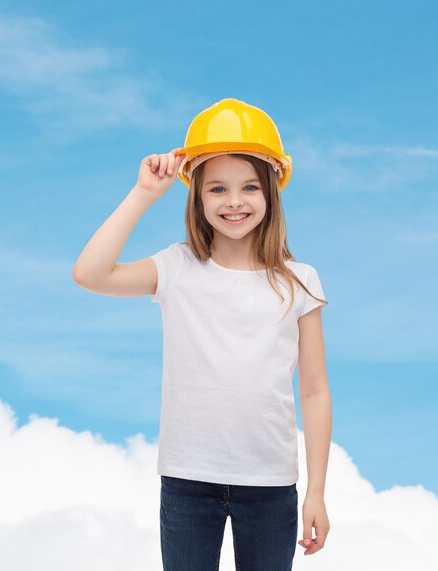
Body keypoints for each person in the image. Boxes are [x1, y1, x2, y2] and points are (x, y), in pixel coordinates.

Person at [72, 98, 331, 570]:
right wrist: (143, 193)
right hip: (188, 480)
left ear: (272, 192)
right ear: (197, 196)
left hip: (271, 485)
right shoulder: (177, 268)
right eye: (217, 189)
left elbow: (314, 391)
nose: (235, 201)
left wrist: (316, 490)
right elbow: (90, 274)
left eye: (250, 186)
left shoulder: (300, 280)